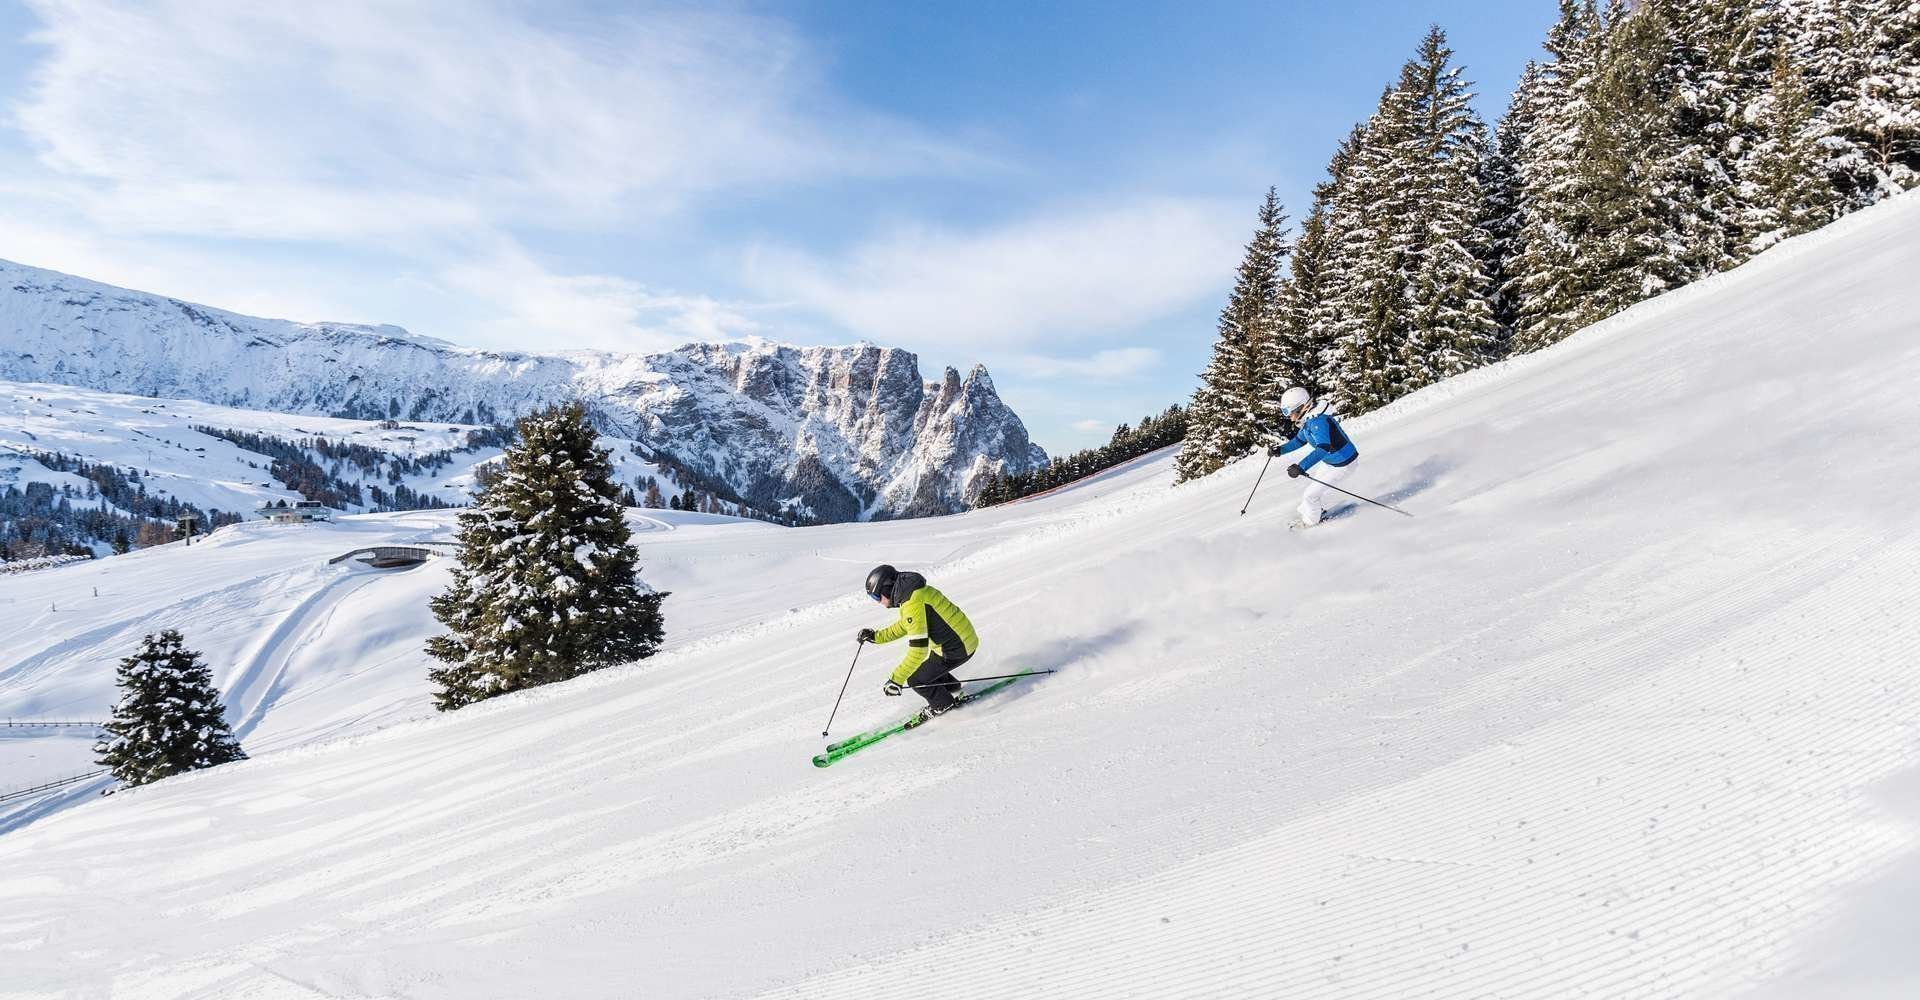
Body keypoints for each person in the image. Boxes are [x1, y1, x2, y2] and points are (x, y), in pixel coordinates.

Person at [857, 564, 980, 718]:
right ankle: (952, 689)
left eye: (876, 597)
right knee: (929, 668)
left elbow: (918, 650)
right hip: (961, 640)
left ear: (886, 588)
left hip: (957, 648)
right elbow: (907, 625)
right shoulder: (913, 593)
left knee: (916, 679)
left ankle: (944, 704)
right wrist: (876, 637)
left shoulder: (912, 603)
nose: (878, 602)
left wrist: (896, 680)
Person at [1268, 386, 1359, 527]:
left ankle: (1311, 523)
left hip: (1344, 464)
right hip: (1331, 462)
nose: (1288, 417)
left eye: (1288, 412)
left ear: (1301, 408)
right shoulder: (1308, 421)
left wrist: (1301, 467)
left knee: (1310, 495)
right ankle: (1314, 512)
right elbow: (1299, 441)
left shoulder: (1317, 422)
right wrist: (1280, 450)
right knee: (1308, 498)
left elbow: (1323, 448)